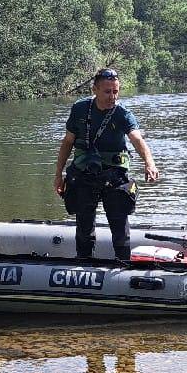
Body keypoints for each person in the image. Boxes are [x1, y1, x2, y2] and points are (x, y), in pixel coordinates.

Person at [54, 68, 159, 260]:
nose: (112, 96)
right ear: (95, 90)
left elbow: (136, 139)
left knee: (120, 228)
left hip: (113, 177)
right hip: (84, 174)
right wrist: (58, 174)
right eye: (107, 91)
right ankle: (84, 265)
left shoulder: (122, 114)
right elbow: (68, 142)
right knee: (84, 228)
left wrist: (149, 163)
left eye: (116, 91)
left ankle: (124, 266)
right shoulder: (79, 109)